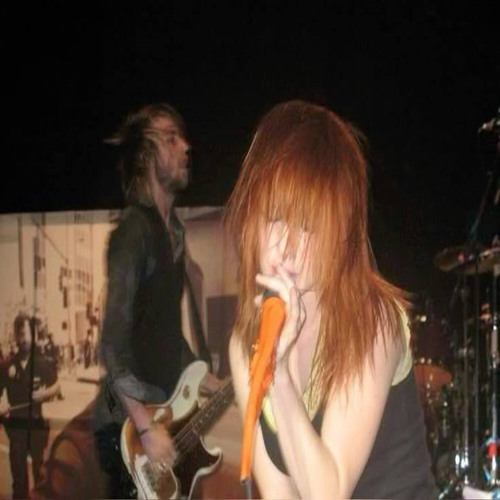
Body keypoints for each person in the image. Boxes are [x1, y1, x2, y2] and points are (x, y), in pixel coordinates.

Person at [226, 100, 439, 499]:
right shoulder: (244, 345)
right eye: (275, 216)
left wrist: (279, 374)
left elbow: (328, 493)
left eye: (308, 225)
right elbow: (279, 496)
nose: (286, 246)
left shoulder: (374, 321)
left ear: (341, 233)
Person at [93, 102, 220, 499]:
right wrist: (145, 426)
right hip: (129, 428)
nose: (185, 147)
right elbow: (113, 344)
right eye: (170, 139)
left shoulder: (174, 235)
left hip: (163, 416)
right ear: (147, 155)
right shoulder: (133, 233)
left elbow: (165, 331)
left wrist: (203, 377)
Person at [0, 312, 60, 499]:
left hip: (36, 426)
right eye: (19, 334)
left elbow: (57, 386)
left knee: (40, 475)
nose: (22, 339)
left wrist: (45, 394)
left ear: (32, 334)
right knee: (19, 479)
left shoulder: (41, 362)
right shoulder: (7, 365)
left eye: (25, 334)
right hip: (16, 428)